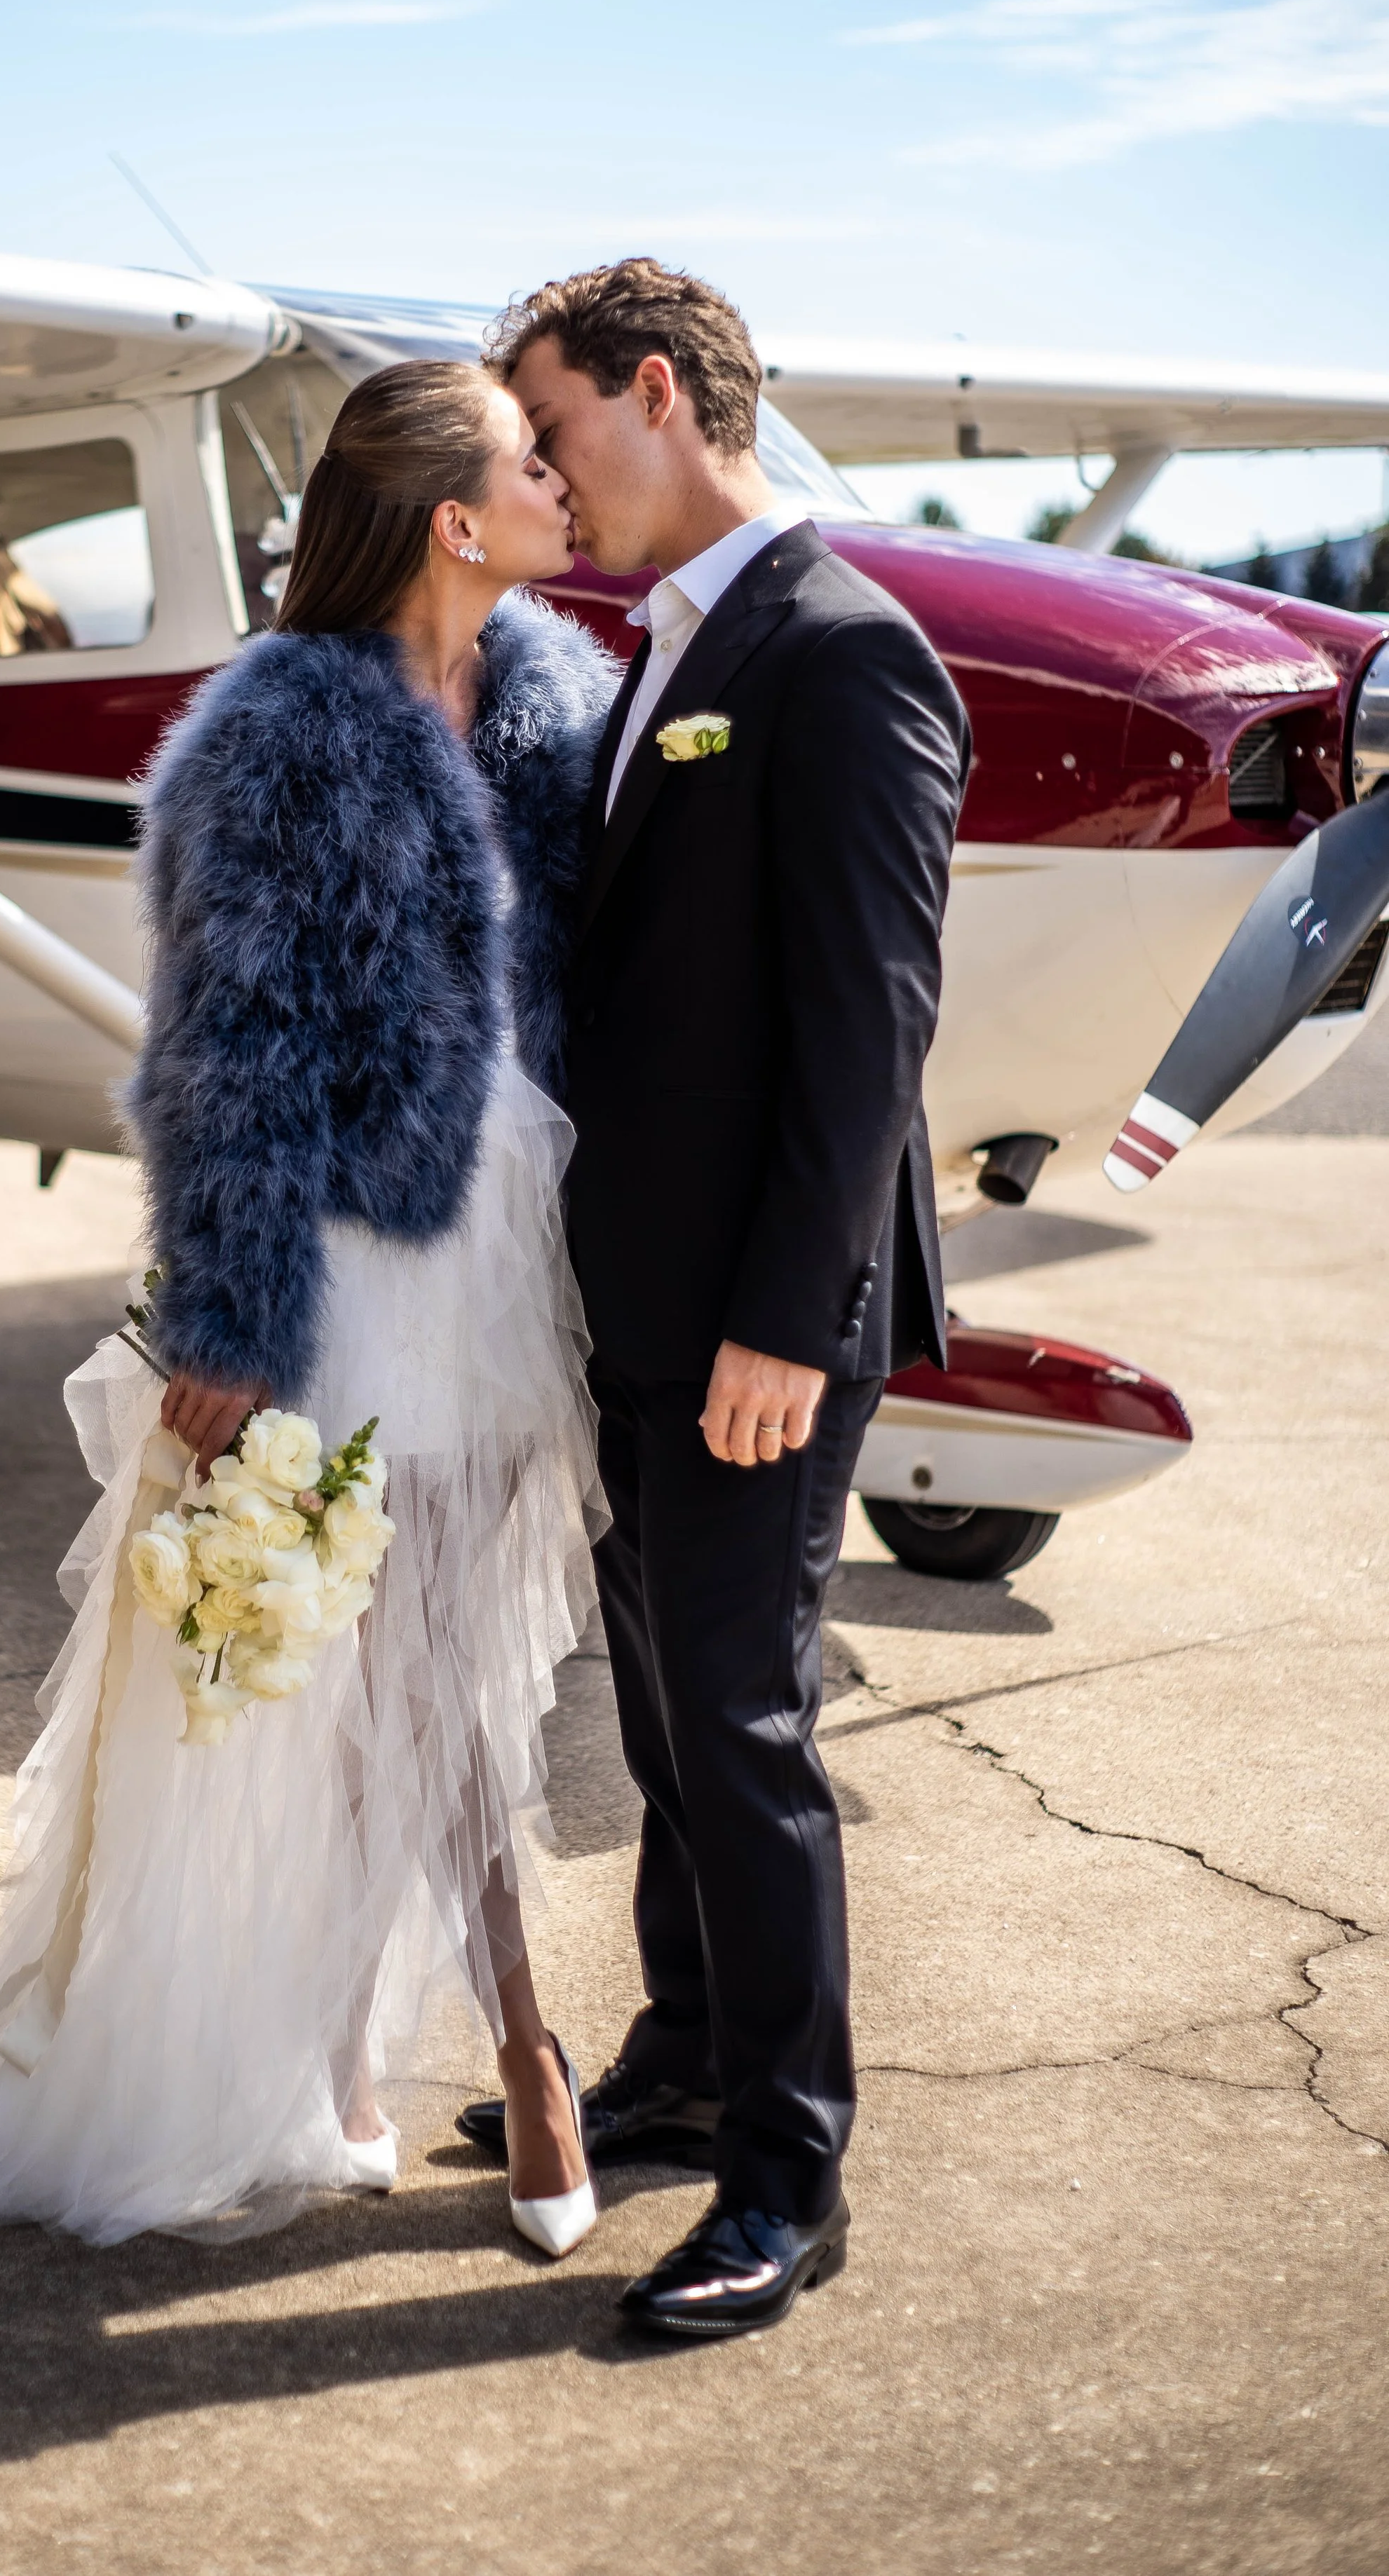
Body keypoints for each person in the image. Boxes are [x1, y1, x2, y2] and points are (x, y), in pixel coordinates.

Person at [0, 361, 620, 2258]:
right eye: (523, 463)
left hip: (511, 1239)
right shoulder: (272, 734)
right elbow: (223, 1052)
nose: (563, 482)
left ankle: (338, 2058)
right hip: (347, 1245)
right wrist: (232, 1316)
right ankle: (534, 2045)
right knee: (397, 1673)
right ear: (448, 518)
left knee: (458, 1654)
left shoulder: (558, 704)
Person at [457, 261, 969, 2336]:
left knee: (745, 1725)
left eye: (557, 427)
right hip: (644, 1304)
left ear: (658, 395)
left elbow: (868, 1029)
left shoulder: (842, 653)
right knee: (665, 1713)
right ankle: (683, 2053)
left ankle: (788, 2176)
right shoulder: (663, 642)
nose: (552, 482)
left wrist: (784, 1315)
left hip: (756, 1316)